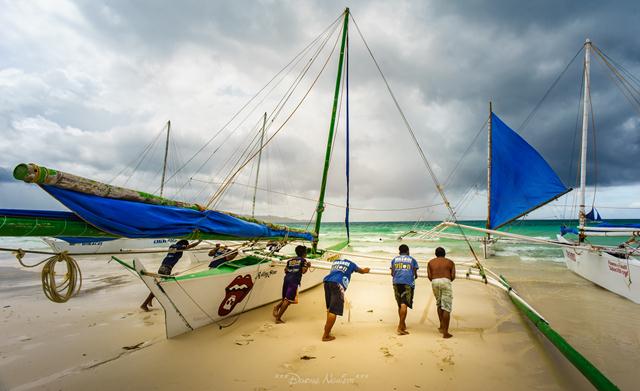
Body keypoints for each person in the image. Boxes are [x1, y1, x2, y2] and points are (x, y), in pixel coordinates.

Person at [140, 239, 201, 312]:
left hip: (162, 267)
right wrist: (199, 242)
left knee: (159, 286)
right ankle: (144, 304)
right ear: (183, 244)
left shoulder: (172, 246)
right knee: (161, 288)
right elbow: (190, 246)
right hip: (166, 269)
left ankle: (149, 300)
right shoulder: (180, 247)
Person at [322, 258, 370, 341]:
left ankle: (328, 331)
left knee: (329, 308)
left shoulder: (335, 262)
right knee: (333, 311)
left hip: (327, 282)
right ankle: (325, 335)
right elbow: (361, 271)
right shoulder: (351, 264)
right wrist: (366, 270)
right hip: (338, 283)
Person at [272, 245, 309, 323]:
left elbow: (285, 270)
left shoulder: (290, 260)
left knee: (285, 298)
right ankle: (278, 318)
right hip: (294, 281)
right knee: (288, 300)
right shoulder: (303, 260)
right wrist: (308, 266)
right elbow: (303, 271)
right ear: (304, 253)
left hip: (286, 279)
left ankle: (277, 307)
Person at [427, 247, 456, 338]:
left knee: (439, 304)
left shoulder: (430, 262)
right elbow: (453, 276)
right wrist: (446, 279)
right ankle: (445, 332)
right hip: (445, 281)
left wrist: (436, 279)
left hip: (435, 281)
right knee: (446, 307)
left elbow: (429, 276)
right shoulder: (450, 262)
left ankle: (441, 326)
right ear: (445, 254)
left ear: (435, 254)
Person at [391, 244, 419, 335]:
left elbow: (392, 273)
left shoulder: (394, 260)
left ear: (399, 251)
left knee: (400, 304)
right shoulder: (412, 259)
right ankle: (400, 327)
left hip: (396, 282)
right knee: (404, 304)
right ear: (407, 251)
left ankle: (402, 324)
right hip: (407, 283)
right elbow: (415, 274)